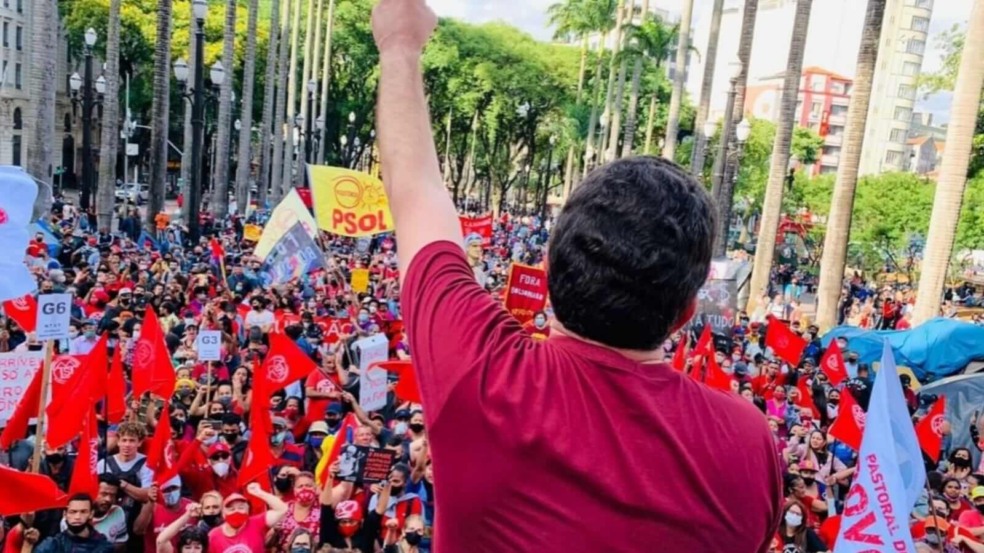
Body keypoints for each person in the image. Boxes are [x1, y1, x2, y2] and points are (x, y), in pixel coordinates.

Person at [370, 0, 781, 550]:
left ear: (546, 271)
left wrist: (400, 46)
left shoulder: (483, 378)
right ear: (686, 312)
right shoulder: (751, 445)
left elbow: (414, 189)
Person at [207, 483, 288, 552]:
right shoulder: (213, 536)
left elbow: (282, 509)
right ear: (223, 514)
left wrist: (259, 492)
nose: (236, 511)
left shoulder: (256, 523)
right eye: (231, 509)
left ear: (248, 510)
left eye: (241, 508)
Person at [25, 494, 114, 553]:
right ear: (65, 514)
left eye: (83, 512)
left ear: (91, 514)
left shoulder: (103, 546)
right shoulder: (53, 544)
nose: (77, 517)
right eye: (73, 512)